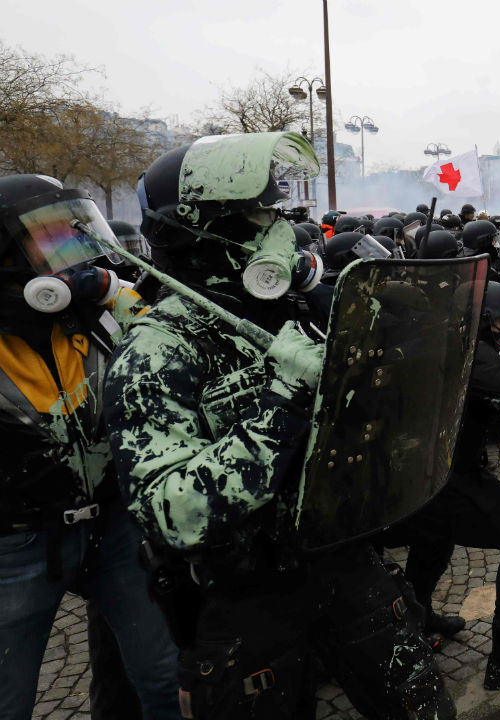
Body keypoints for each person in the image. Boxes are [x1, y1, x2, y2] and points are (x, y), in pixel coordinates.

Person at [104, 133, 455, 719]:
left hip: (343, 557)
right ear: (199, 232)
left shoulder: (293, 306)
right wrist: (282, 401)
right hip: (246, 592)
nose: (282, 231)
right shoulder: (159, 349)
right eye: (261, 216)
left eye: (279, 212)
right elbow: (173, 511)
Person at [0, 174, 180, 720]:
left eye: (77, 235)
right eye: (53, 239)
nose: (74, 255)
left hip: (114, 527)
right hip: (17, 541)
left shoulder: (91, 317)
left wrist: (109, 289)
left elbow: (168, 340)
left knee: (166, 677)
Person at [391, 282, 500, 690]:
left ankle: (418, 614)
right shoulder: (471, 354)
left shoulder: (440, 334)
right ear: (484, 320)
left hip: (419, 469)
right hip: (442, 475)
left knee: (433, 536)